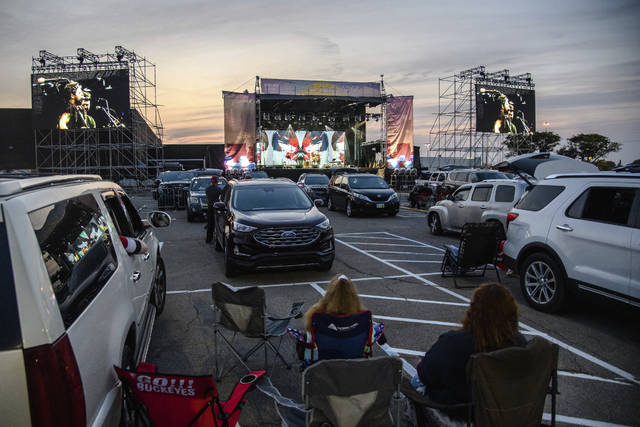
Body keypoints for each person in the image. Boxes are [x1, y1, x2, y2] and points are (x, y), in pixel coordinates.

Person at [412, 282, 527, 404]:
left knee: (417, 380)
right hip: (505, 409)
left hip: (461, 413)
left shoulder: (455, 342)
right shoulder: (520, 343)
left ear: (473, 311)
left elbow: (424, 373)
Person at [205, 175, 222, 243]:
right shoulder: (218, 189)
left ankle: (208, 239)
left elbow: (207, 196)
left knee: (210, 224)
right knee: (217, 223)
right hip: (216, 207)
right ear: (216, 182)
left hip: (209, 207)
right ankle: (217, 239)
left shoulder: (208, 189)